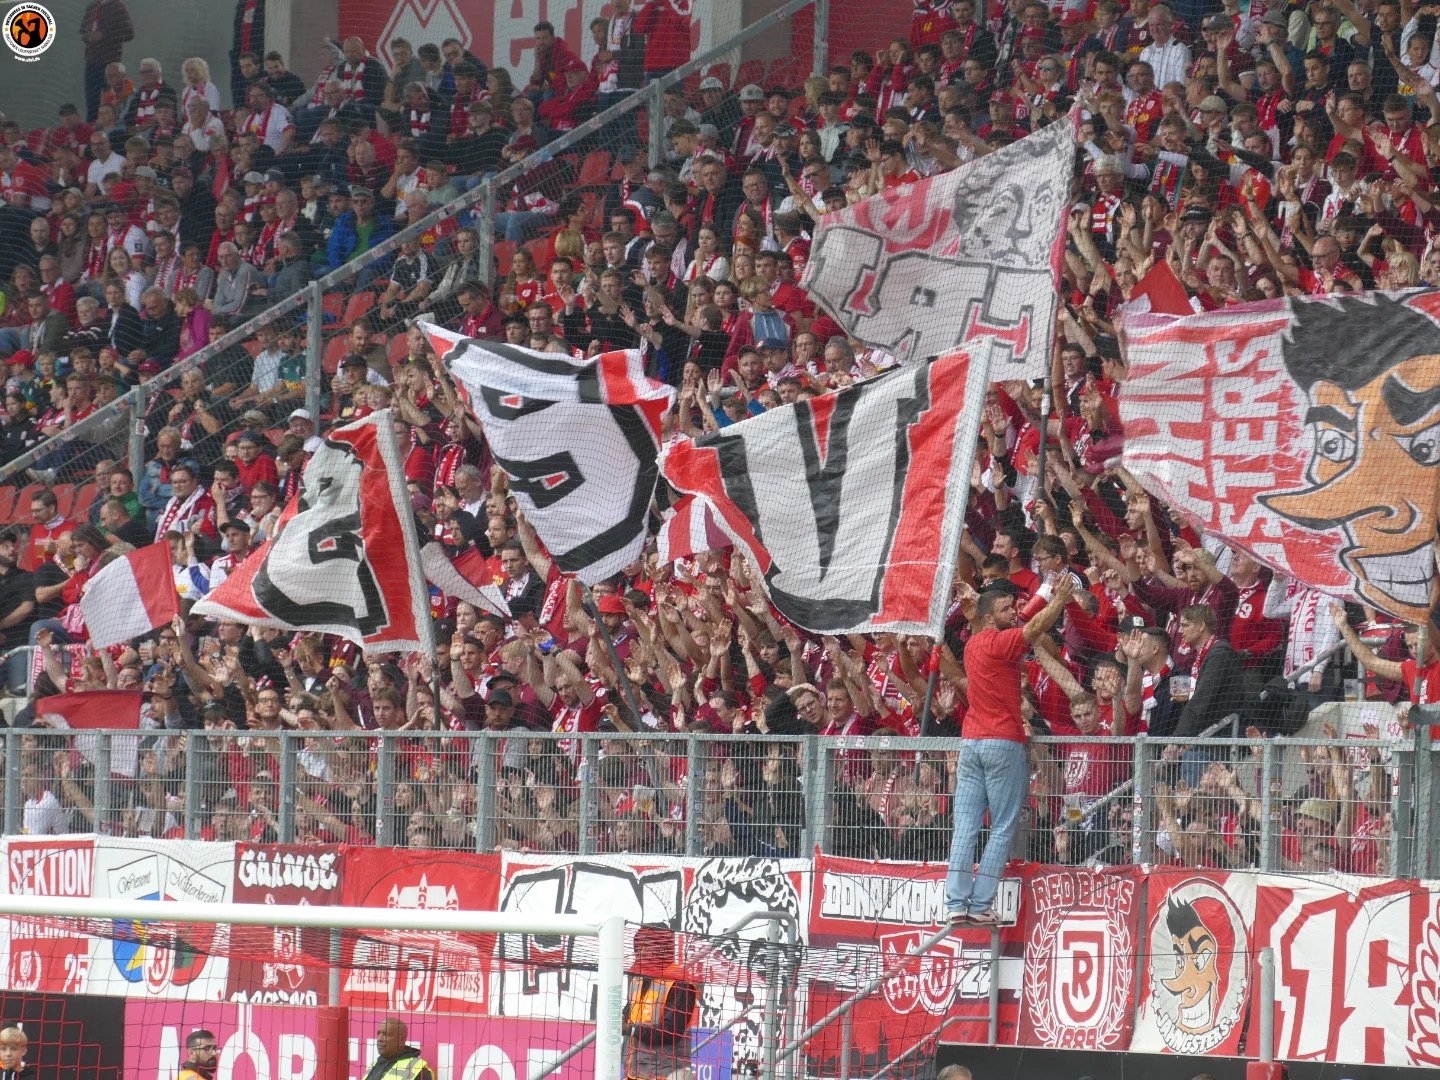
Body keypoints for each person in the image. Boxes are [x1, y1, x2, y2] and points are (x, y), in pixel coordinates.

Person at [946, 576, 1073, 924]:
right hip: (1002, 741)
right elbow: (1034, 627)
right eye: (1005, 608)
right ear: (989, 617)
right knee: (1002, 826)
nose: (1012, 611)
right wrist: (1059, 600)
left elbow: (1022, 621)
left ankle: (956, 904)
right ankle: (980, 904)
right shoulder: (1002, 642)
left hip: (970, 742)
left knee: (966, 827)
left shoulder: (973, 644)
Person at [624, 926, 700, 1080]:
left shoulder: (680, 983)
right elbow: (630, 1009)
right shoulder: (637, 978)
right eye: (638, 946)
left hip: (668, 1074)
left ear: (662, 949)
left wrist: (631, 1030)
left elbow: (671, 1032)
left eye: (646, 946)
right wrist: (621, 1017)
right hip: (635, 1072)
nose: (639, 951)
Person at [362, 1019, 433, 1080]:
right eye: (378, 1034)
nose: (379, 1039)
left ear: (401, 1040)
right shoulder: (378, 1062)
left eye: (386, 1034)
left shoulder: (418, 1070)